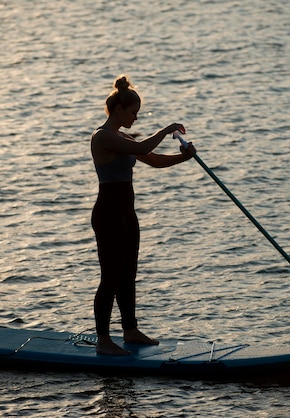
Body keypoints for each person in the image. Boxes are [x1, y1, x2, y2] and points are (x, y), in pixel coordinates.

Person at [90, 74, 196, 356]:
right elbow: (142, 148)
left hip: (127, 213)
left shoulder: (122, 137)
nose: (136, 118)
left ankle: (130, 330)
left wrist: (183, 158)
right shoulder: (102, 137)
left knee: (128, 274)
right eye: (134, 112)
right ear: (120, 109)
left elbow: (154, 160)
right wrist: (166, 130)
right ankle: (103, 340)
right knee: (110, 277)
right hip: (108, 214)